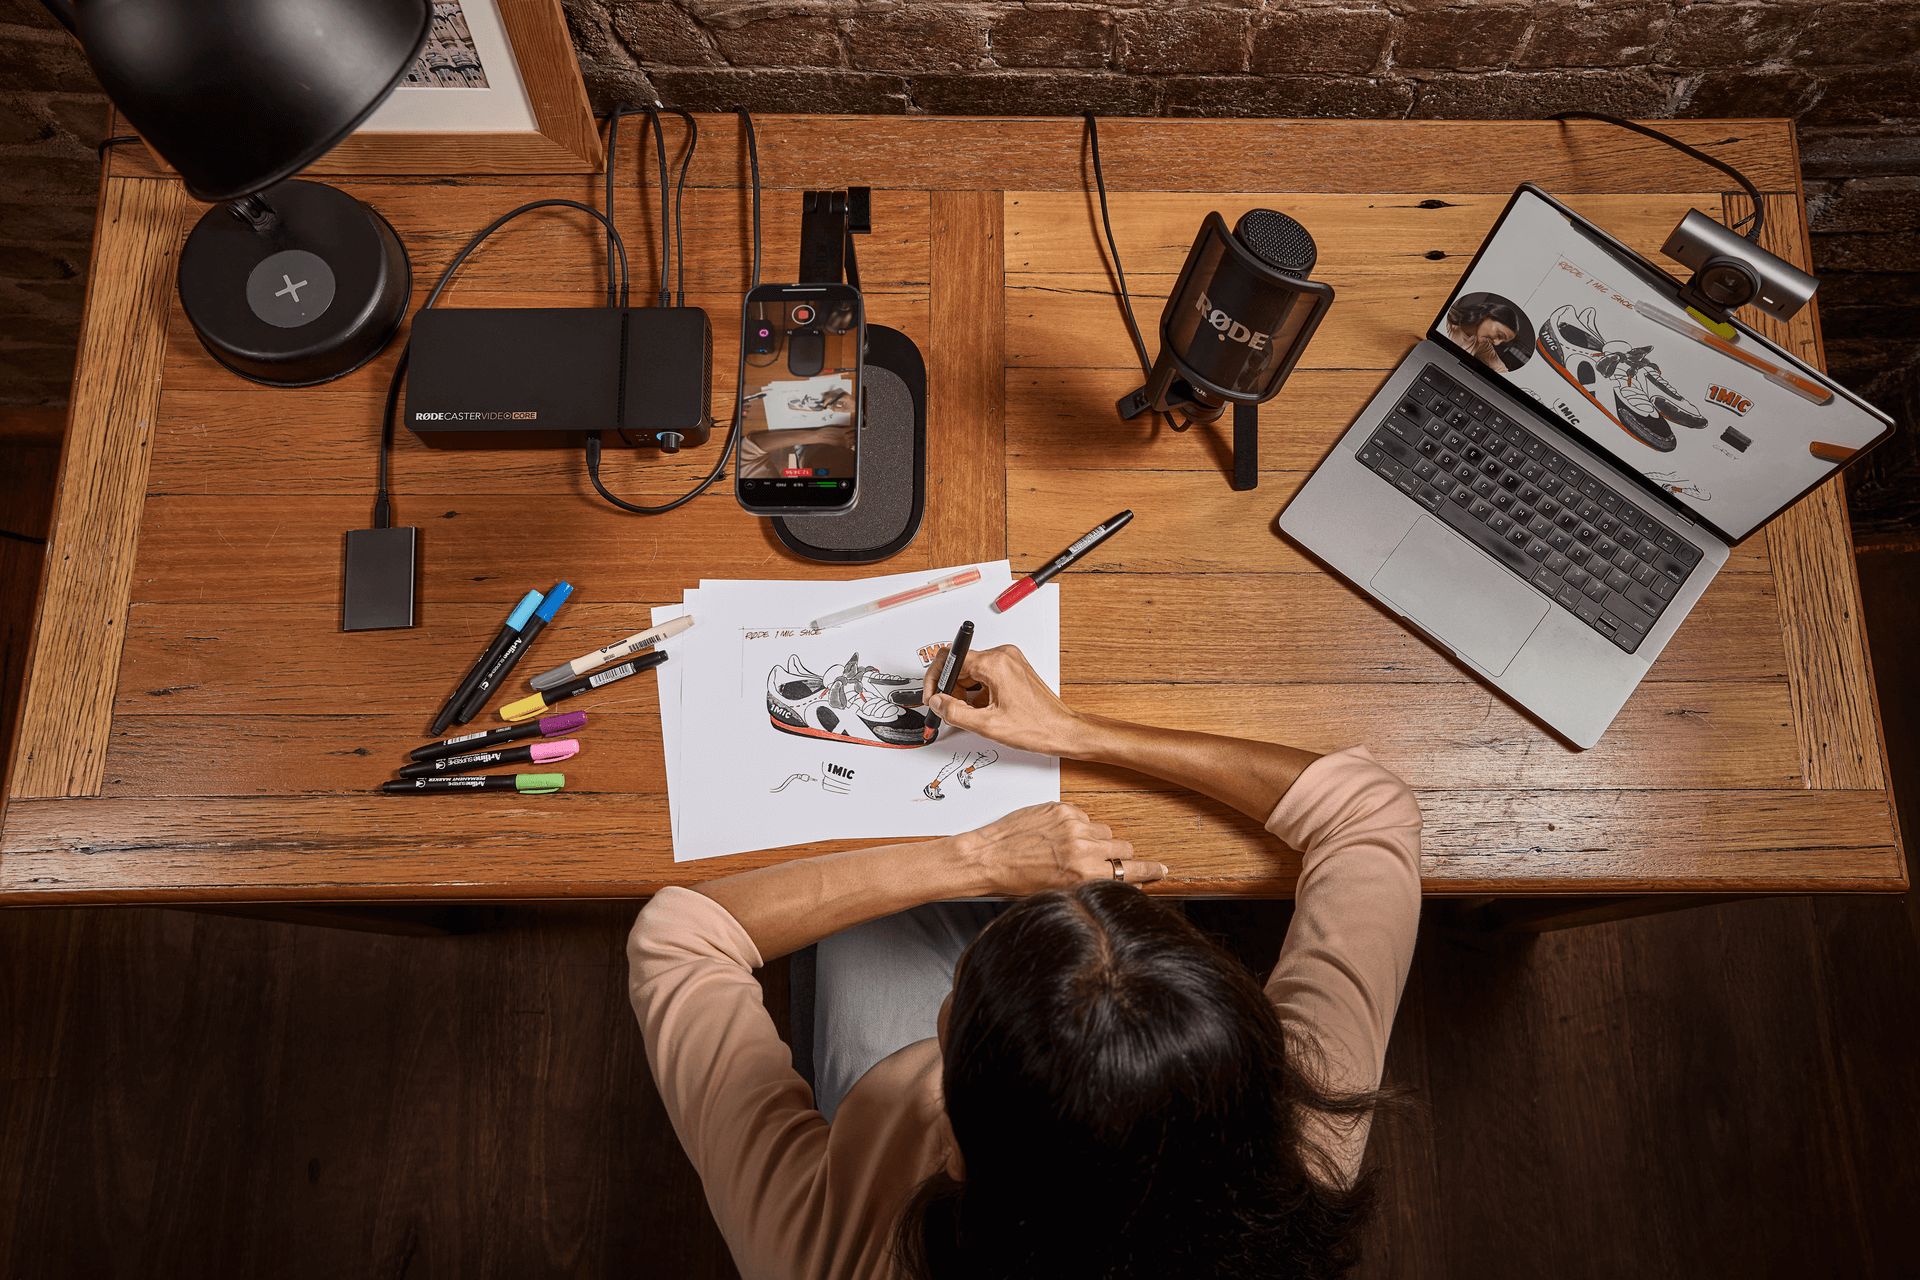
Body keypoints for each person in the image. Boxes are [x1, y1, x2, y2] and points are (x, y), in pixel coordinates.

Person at [628, 644, 1422, 1279]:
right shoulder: (1310, 1132)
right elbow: (1366, 808)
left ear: (958, 1150)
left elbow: (680, 938)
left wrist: (971, 861)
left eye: (955, 1016)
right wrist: (1074, 731)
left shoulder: (833, 1259)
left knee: (861, 925)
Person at [1445, 294, 1525, 373]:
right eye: (1499, 335)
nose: (1496, 343)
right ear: (1487, 316)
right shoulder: (1448, 322)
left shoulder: (1482, 344)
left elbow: (1501, 370)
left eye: (1502, 342)